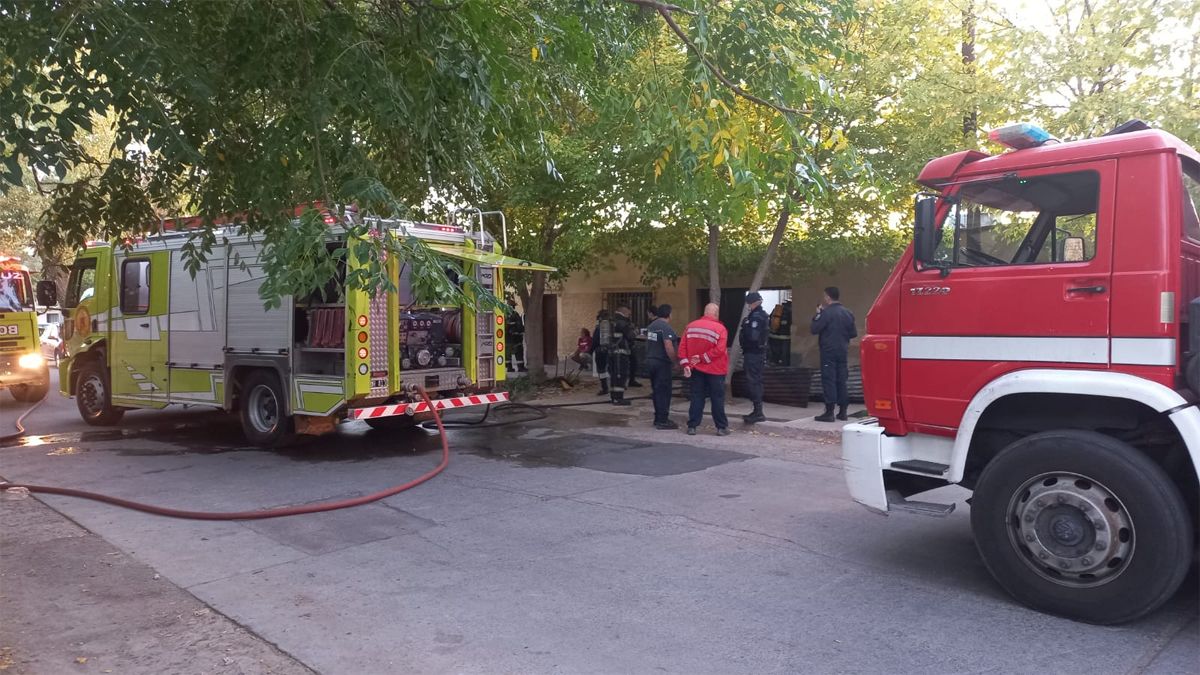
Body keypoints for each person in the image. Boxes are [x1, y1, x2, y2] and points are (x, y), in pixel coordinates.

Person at [678, 303, 730, 436]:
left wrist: (686, 365)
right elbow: (719, 350)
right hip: (715, 370)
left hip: (696, 369)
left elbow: (682, 348)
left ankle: (692, 426)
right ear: (716, 313)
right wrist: (703, 358)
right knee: (717, 398)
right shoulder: (720, 329)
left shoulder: (690, 326)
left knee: (697, 397)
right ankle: (721, 427)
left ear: (705, 312)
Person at [811, 286, 857, 422]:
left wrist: (817, 315)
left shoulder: (826, 313)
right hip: (842, 350)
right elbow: (853, 333)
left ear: (827, 297)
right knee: (841, 380)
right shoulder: (848, 313)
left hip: (828, 351)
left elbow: (814, 329)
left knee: (828, 379)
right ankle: (843, 412)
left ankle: (829, 412)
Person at [644, 304, 680, 429]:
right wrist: (675, 362)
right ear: (669, 314)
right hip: (662, 363)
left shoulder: (651, 327)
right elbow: (668, 346)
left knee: (656, 391)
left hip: (651, 361)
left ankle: (658, 417)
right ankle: (662, 420)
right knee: (664, 391)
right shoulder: (666, 327)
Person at [739, 291, 769, 424]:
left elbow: (753, 337)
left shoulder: (756, 317)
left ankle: (758, 412)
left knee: (754, 382)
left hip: (754, 354)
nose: (748, 306)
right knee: (755, 381)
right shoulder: (758, 315)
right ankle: (757, 410)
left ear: (753, 303)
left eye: (748, 304)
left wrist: (746, 326)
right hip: (755, 354)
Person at [607, 306, 637, 406]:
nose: (629, 315)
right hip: (621, 354)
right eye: (629, 313)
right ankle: (619, 398)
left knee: (614, 375)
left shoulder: (611, 322)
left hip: (612, 353)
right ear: (624, 311)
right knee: (621, 375)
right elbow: (630, 336)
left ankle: (614, 397)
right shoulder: (622, 322)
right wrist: (635, 331)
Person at [591, 310, 612, 396]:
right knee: (612, 369)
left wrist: (590, 351)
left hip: (601, 351)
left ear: (600, 317)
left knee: (602, 370)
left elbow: (595, 341)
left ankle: (605, 388)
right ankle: (616, 385)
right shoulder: (612, 326)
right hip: (612, 351)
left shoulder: (599, 327)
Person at [768, 299, 792, 365]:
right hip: (785, 337)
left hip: (773, 336)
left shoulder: (776, 310)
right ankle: (784, 368)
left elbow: (770, 319)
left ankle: (774, 364)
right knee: (785, 355)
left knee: (775, 354)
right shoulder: (790, 311)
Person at [506, 300, 526, 373]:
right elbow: (519, 326)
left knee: (507, 354)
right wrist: (520, 331)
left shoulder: (504, 315)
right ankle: (520, 367)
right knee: (519, 353)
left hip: (507, 339)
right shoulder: (515, 314)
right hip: (516, 339)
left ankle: (509, 368)